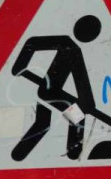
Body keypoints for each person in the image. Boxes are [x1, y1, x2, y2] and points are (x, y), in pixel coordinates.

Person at [10, 15, 101, 162]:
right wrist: (19, 67)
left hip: (51, 92)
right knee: (63, 118)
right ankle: (72, 153)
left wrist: (19, 67)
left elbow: (82, 84)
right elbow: (31, 43)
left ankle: (18, 155)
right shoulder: (69, 45)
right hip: (49, 92)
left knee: (45, 122)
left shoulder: (70, 46)